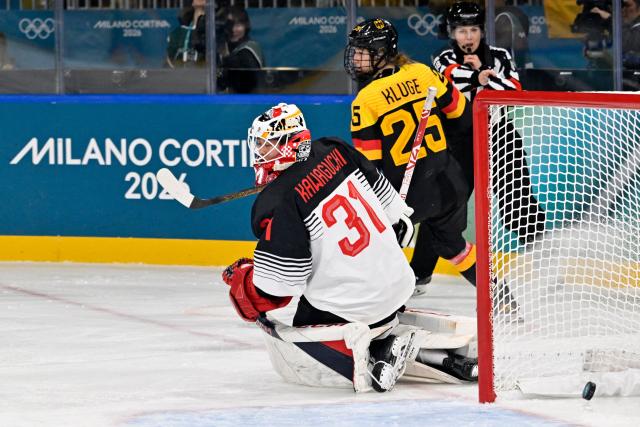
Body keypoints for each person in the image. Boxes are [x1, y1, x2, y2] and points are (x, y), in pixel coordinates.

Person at [221, 103, 478, 392]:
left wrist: (244, 280)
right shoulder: (336, 149)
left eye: (266, 146)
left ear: (287, 145)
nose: (260, 154)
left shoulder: (277, 202)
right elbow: (395, 211)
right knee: (358, 294)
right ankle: (419, 353)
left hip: (352, 307)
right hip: (398, 286)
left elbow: (279, 287)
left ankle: (375, 349)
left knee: (303, 327)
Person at [344, 18, 477, 297]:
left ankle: (379, 308)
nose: (355, 59)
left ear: (381, 53)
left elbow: (370, 168)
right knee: (452, 246)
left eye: (362, 52)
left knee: (373, 247)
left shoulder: (365, 100)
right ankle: (500, 297)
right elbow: (463, 116)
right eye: (354, 51)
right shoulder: (424, 73)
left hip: (407, 198)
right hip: (451, 183)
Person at [433, 2, 546, 247]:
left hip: (499, 134)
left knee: (517, 197)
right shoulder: (443, 60)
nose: (469, 36)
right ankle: (421, 271)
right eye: (462, 31)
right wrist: (479, 78)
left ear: (482, 31)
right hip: (458, 140)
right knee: (444, 202)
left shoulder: (500, 56)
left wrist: (483, 73)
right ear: (452, 33)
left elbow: (514, 91)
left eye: (473, 30)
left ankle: (540, 248)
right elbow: (451, 80)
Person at [217, 5, 264, 93]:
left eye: (238, 25)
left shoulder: (250, 48)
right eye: (229, 26)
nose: (234, 30)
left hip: (248, 103)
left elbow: (247, 80)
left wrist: (225, 58)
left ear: (246, 26)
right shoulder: (220, 47)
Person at [590, 0, 640, 69]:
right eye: (618, 6)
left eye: (626, 5)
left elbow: (628, 44)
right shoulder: (625, 28)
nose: (622, 9)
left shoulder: (623, 28)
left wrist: (610, 20)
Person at [165, 0, 207, 68]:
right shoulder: (180, 31)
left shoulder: (213, 31)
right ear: (192, 3)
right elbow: (169, 57)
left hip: (204, 74)